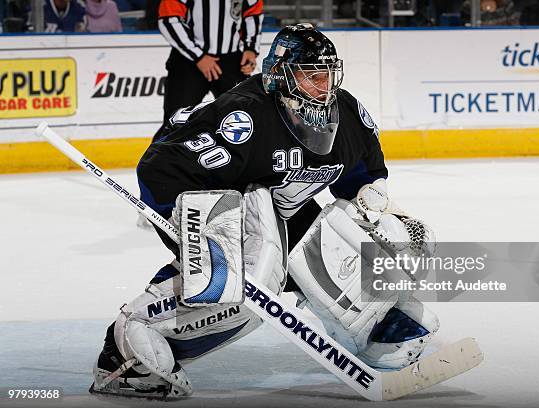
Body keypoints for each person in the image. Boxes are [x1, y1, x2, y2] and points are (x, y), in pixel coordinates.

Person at [90, 24, 439, 398]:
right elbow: (163, 166)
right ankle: (127, 354)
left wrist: (381, 213)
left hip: (286, 211)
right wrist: (196, 229)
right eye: (310, 76)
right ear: (280, 74)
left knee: (352, 240)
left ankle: (380, 331)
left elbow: (361, 183)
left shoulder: (349, 116)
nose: (323, 87)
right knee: (252, 281)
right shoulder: (244, 115)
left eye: (326, 75)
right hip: (226, 207)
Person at [156, 0, 263, 127]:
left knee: (244, 118)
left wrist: (250, 48)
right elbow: (168, 19)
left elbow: (253, 14)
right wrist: (198, 56)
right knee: (175, 121)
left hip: (231, 59)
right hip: (188, 61)